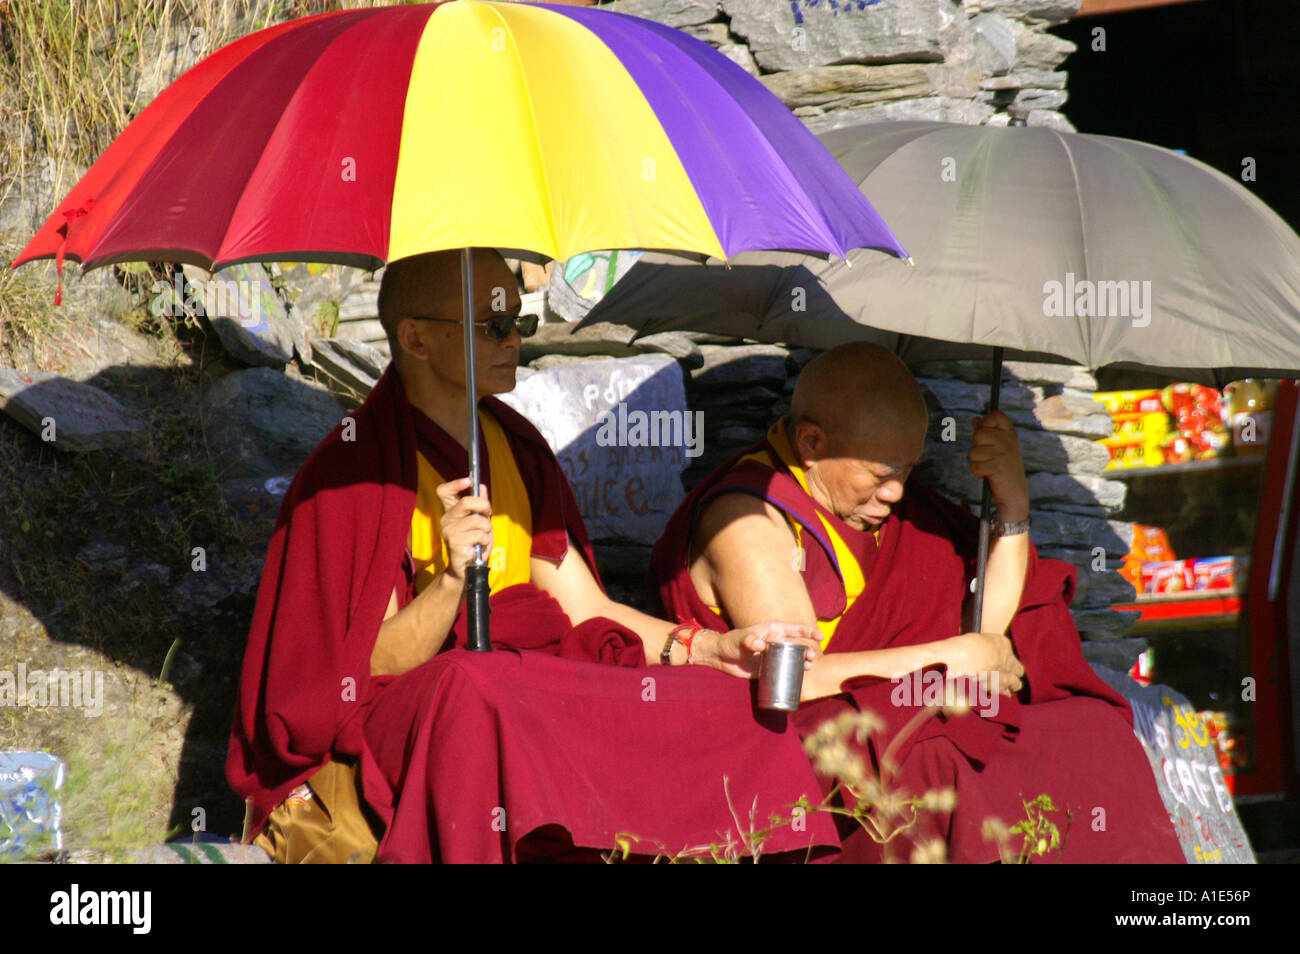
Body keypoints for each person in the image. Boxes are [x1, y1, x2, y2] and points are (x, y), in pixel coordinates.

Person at [226, 248, 826, 863]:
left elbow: (585, 609)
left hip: (516, 689)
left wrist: (706, 648)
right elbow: (368, 666)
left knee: (721, 698)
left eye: (521, 322)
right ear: (417, 338)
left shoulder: (514, 447)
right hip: (424, 714)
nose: (515, 339)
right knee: (471, 685)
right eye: (494, 326)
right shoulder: (355, 471)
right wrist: (453, 580)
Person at [649, 342, 1186, 863]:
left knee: (1090, 731)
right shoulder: (748, 520)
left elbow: (989, 635)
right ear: (812, 444)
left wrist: (1012, 505)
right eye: (881, 476)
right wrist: (953, 660)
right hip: (787, 757)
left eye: (907, 471)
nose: (897, 494)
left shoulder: (895, 515)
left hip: (905, 716)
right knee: (935, 755)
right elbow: (799, 682)